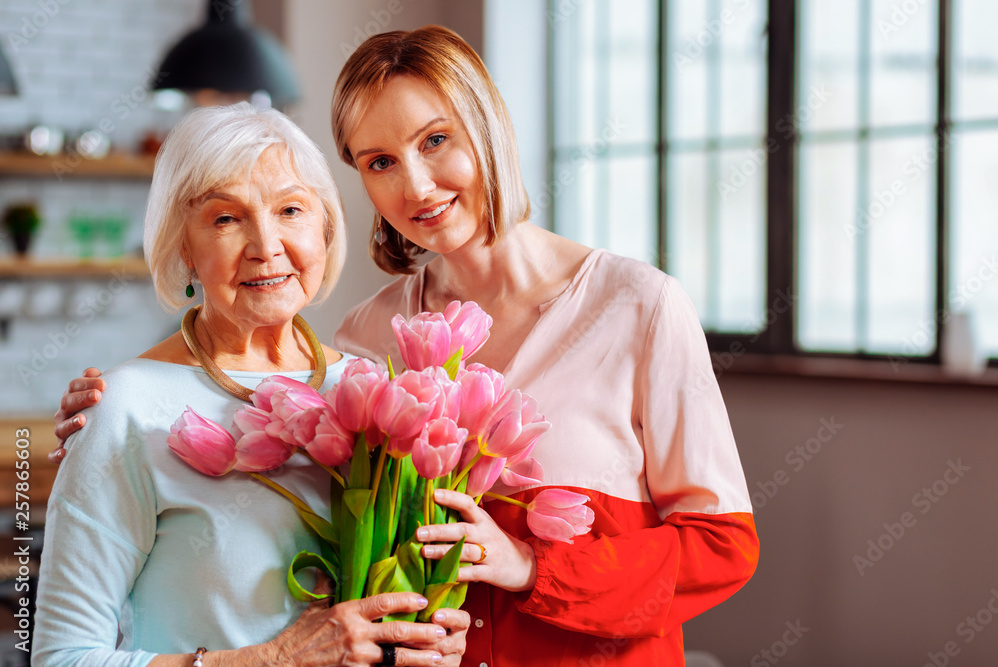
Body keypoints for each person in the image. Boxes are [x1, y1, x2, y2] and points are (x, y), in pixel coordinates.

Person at [54, 25, 758, 667]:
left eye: (435, 140)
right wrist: (124, 412)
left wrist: (529, 566)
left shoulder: (638, 306)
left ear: (488, 126)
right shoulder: (367, 342)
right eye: (380, 161)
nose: (416, 186)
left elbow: (723, 547)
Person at [35, 102, 468, 667]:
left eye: (290, 210)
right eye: (225, 219)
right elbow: (62, 657)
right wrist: (273, 659)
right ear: (183, 246)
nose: (266, 245)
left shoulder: (375, 391)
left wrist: (427, 635)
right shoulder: (123, 408)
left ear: (324, 227)